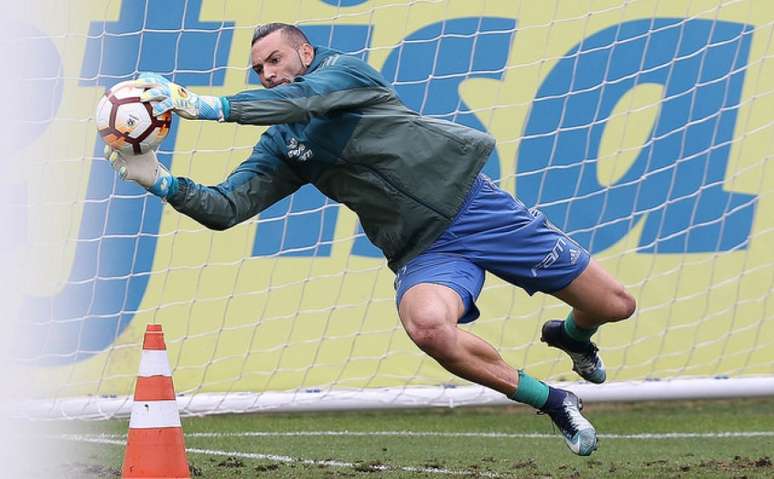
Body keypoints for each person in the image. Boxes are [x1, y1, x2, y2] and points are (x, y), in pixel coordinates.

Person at [106, 23, 636, 456]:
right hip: (422, 249)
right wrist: (161, 181)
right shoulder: (284, 144)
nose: (268, 74)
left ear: (305, 52)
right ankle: (553, 401)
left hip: (480, 210)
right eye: (259, 69)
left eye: (275, 61)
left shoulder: (344, 73)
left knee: (615, 304)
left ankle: (571, 335)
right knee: (429, 328)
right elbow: (227, 208)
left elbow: (303, 99)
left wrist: (207, 106)